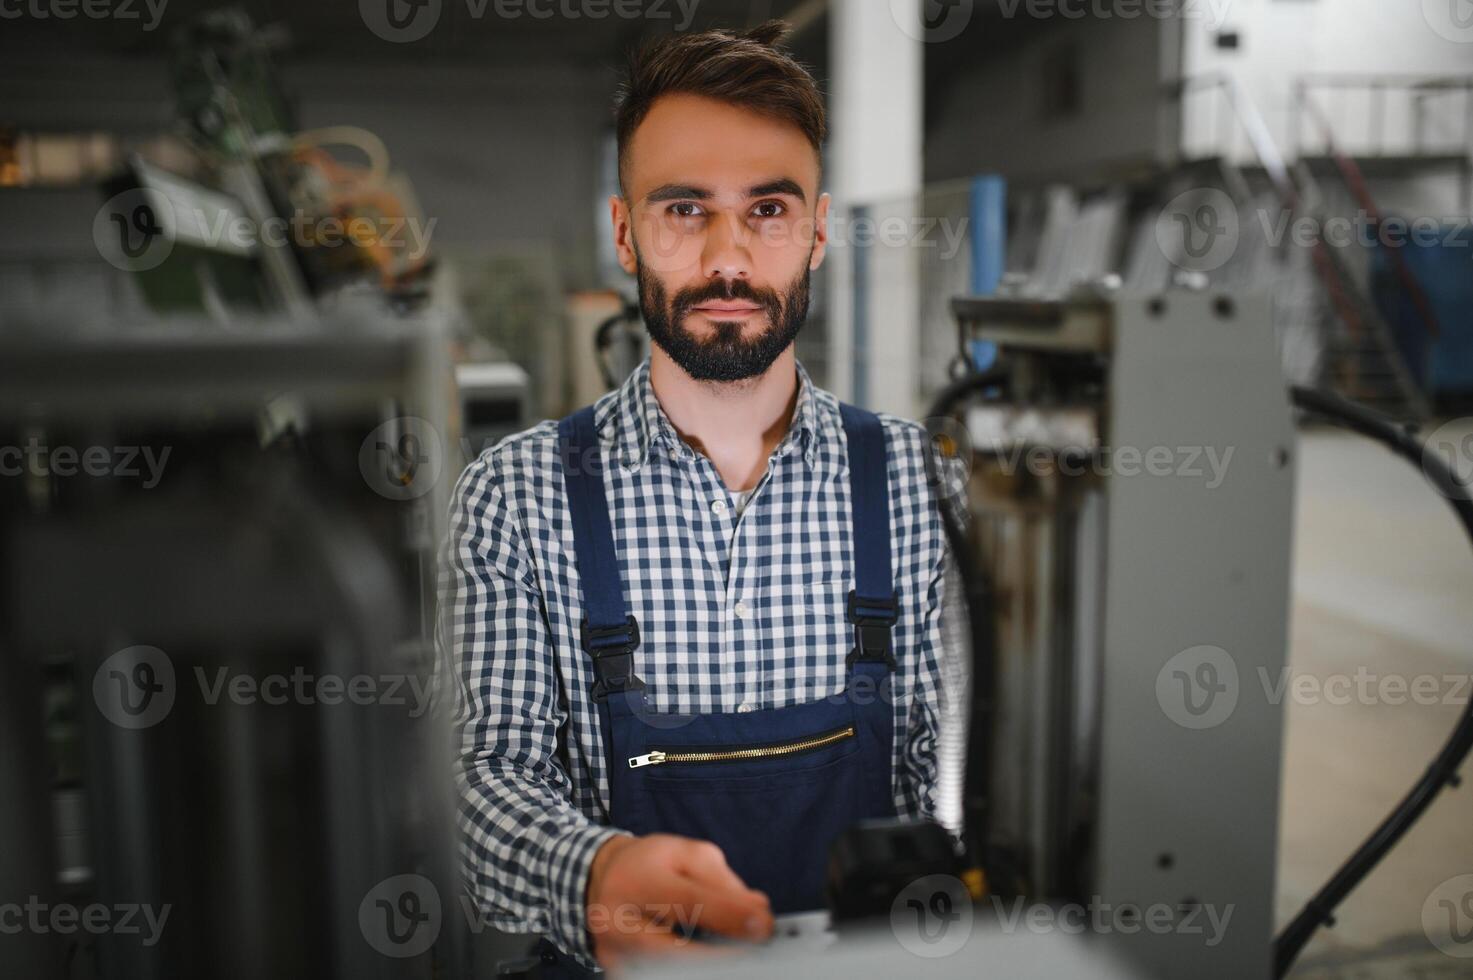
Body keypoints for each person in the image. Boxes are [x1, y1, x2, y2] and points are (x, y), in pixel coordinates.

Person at [442, 21, 953, 975]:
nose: (727, 258)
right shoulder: (514, 498)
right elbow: (483, 776)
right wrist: (590, 876)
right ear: (626, 232)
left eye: (767, 209)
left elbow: (950, 771)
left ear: (817, 231)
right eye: (684, 209)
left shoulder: (921, 486)